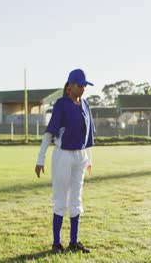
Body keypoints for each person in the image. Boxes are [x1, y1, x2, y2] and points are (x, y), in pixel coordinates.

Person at [35, 69, 95, 254]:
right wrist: (40, 158)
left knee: (76, 200)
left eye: (85, 85)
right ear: (70, 86)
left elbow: (88, 136)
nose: (84, 88)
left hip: (80, 156)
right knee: (61, 200)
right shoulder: (61, 104)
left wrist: (89, 160)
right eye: (80, 85)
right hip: (63, 155)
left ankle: (74, 242)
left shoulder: (85, 104)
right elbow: (49, 133)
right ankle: (56, 243)